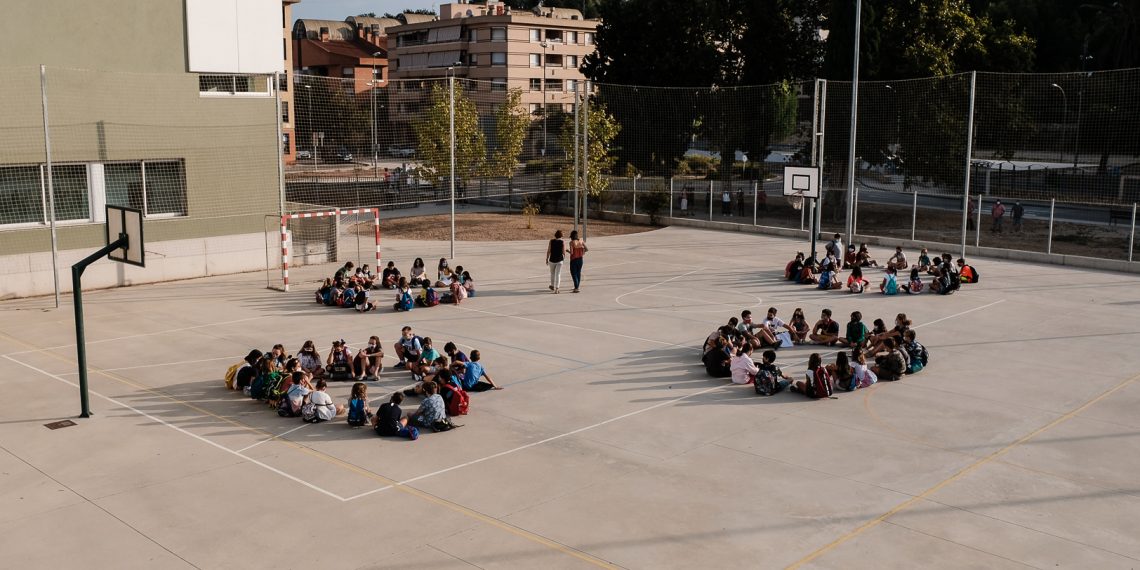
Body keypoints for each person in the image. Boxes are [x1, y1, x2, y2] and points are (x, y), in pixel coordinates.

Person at [546, 229, 567, 293]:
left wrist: (547, 258)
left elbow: (548, 251)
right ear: (561, 235)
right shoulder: (562, 242)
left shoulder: (551, 241)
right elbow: (564, 252)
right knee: (558, 274)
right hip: (559, 260)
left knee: (552, 273)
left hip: (552, 259)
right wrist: (564, 258)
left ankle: (552, 285)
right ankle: (557, 288)